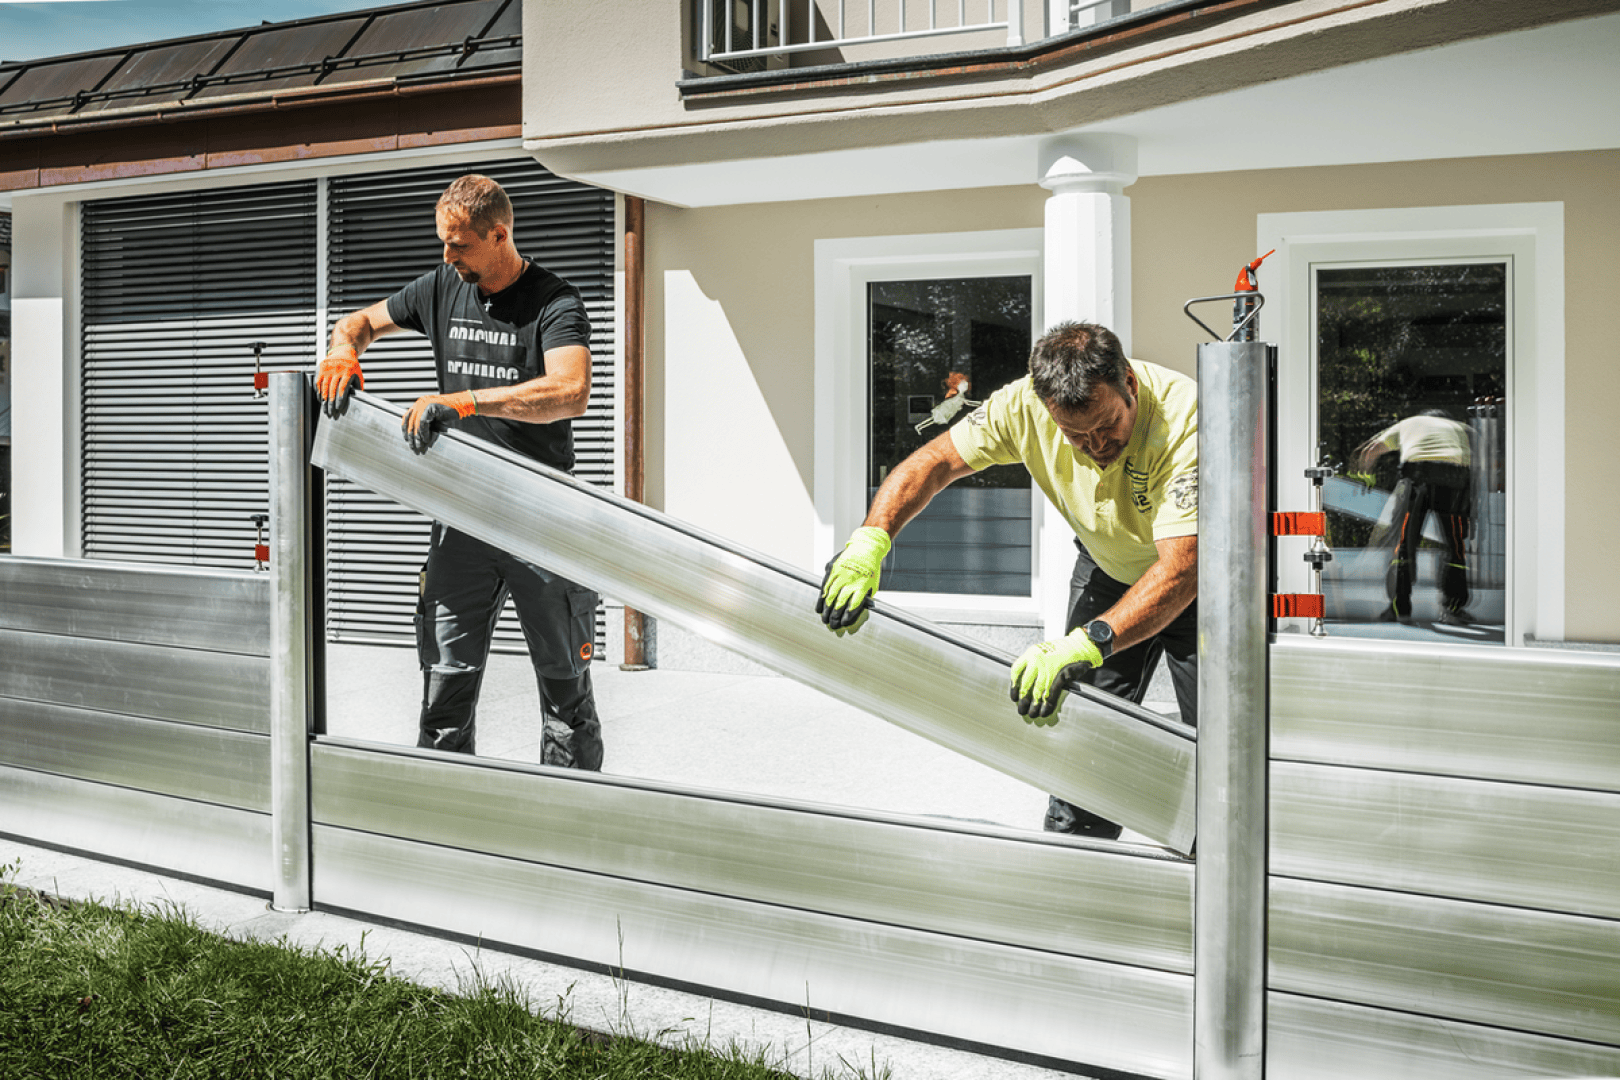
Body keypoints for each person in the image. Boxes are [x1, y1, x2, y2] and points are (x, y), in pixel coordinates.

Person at [817, 321, 1198, 840]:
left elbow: (1182, 567)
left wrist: (1092, 641)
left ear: (1129, 384)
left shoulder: (1186, 419)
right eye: (1074, 435)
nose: (1095, 446)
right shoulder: (1021, 406)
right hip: (1109, 566)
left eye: (1107, 425)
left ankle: (1218, 877)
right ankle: (1077, 866)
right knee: (1081, 738)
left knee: (1221, 750)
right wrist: (871, 540)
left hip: (1202, 585)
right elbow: (933, 462)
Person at [314, 174, 603, 770]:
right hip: (460, 520)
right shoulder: (442, 285)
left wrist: (468, 401)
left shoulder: (555, 301)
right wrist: (343, 349)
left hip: (540, 520)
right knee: (444, 685)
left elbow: (571, 391)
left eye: (460, 245)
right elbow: (358, 323)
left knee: (565, 694)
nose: (447, 257)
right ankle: (444, 820)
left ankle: (569, 826)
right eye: (443, 243)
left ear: (499, 235)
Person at [1355, 408, 1474, 625]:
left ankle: (1399, 608)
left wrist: (1366, 477)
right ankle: (1453, 609)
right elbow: (1486, 455)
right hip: (1454, 478)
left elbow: (1371, 451)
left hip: (1416, 476)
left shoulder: (1408, 423)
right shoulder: (1461, 427)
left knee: (1405, 543)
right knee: (1455, 544)